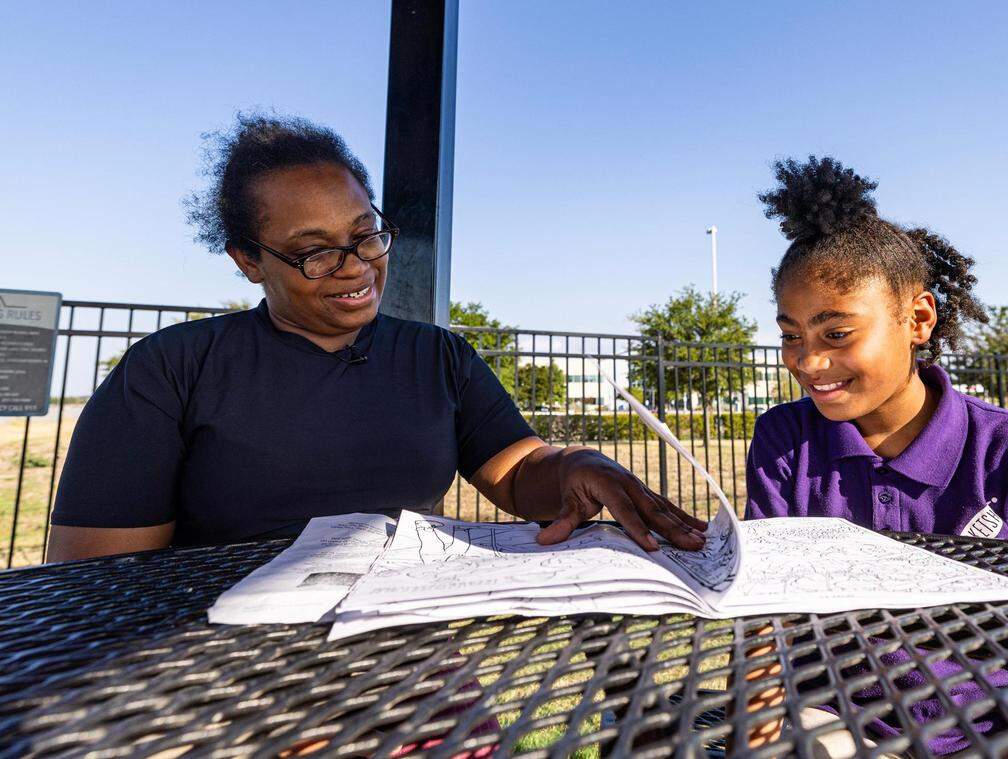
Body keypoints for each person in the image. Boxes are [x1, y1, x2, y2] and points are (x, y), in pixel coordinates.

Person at [46, 114, 707, 562]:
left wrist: (575, 468)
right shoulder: (170, 371)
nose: (357, 265)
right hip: (223, 681)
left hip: (406, 664)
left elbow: (516, 471)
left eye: (366, 234)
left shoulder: (438, 358)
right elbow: (99, 581)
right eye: (315, 251)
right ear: (248, 260)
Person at [743, 156, 1008, 755]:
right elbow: (765, 630)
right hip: (845, 729)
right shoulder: (784, 443)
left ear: (917, 318)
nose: (808, 361)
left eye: (836, 333)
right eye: (791, 336)